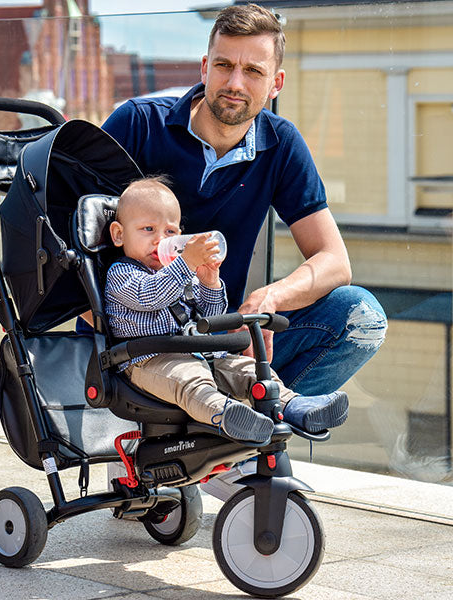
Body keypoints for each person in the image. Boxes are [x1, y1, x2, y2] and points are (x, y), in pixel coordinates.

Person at [100, 3, 387, 497]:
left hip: (214, 325)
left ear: (274, 83)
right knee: (195, 360)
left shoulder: (280, 144)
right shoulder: (137, 124)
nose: (236, 82)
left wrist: (270, 298)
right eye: (225, 65)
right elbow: (70, 230)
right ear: (204, 68)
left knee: (361, 316)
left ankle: (242, 433)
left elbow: (334, 260)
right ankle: (198, 440)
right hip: (136, 335)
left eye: (252, 70)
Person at [105, 177, 349, 444]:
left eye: (170, 233)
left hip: (199, 353)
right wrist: (185, 262)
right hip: (149, 361)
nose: (160, 240)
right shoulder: (122, 274)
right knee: (192, 382)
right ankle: (228, 415)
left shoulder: (181, 273)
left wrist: (209, 282)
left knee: (247, 369)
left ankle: (294, 406)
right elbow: (150, 296)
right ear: (119, 234)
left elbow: (209, 317)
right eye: (148, 229)